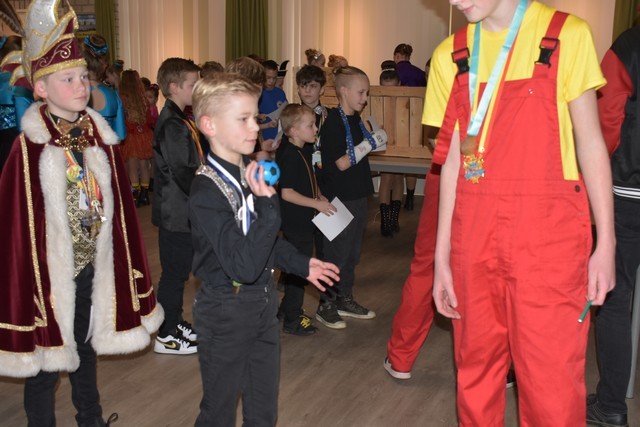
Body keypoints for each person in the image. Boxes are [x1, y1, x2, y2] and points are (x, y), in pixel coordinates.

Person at [428, 0, 615, 425]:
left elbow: (591, 143)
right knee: (475, 375)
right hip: (473, 241)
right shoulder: (450, 56)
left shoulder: (566, 35)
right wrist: (442, 259)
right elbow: (453, 162)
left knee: (552, 384)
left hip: (548, 242)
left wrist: (606, 242)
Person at [0, 2, 163, 425]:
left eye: (83, 77)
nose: (80, 85)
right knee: (47, 363)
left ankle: (90, 418)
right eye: (68, 79)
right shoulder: (29, 148)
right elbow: (16, 226)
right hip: (48, 278)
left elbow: (121, 214)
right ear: (41, 89)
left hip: (93, 266)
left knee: (86, 350)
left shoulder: (100, 139)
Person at [189, 72, 339, 425]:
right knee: (219, 412)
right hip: (225, 310)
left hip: (261, 303)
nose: (255, 127)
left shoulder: (248, 172)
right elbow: (242, 265)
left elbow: (263, 245)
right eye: (242, 119)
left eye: (254, 117)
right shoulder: (206, 191)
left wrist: (302, 263)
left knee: (263, 408)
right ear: (209, 125)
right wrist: (270, 205)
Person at [587, 21, 640, 427]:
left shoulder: (630, 44)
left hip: (628, 193)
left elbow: (606, 119)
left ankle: (610, 406)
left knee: (615, 297)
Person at [316, 65, 387, 329]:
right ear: (344, 91)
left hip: (357, 194)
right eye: (361, 92)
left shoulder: (356, 120)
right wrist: (370, 143)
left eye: (367, 93)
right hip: (337, 199)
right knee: (335, 253)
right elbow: (342, 163)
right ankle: (326, 304)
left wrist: (374, 139)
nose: (365, 98)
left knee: (352, 253)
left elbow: (357, 154)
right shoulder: (333, 123)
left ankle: (344, 298)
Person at [152, 57, 202, 355]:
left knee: (179, 271)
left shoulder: (180, 117)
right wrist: (206, 194)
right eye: (193, 84)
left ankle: (175, 321)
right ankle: (166, 334)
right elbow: (183, 170)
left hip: (183, 211)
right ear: (174, 87)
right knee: (173, 273)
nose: (197, 88)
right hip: (176, 212)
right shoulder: (172, 123)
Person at [276, 103, 337, 335]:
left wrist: (317, 193)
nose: (315, 129)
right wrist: (316, 204)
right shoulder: (289, 155)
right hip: (296, 223)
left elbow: (308, 178)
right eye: (310, 125)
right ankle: (292, 319)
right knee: (301, 271)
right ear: (293, 131)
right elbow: (287, 193)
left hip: (303, 221)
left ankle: (285, 311)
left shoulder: (303, 149)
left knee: (296, 269)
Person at [393, 43, 426, 211]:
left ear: (397, 56)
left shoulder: (393, 72)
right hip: (415, 120)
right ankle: (411, 199)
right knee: (412, 160)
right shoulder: (420, 73)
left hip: (397, 119)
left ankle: (395, 200)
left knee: (396, 161)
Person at [377, 60, 404, 237]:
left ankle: (394, 218)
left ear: (399, 85)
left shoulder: (405, 100)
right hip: (384, 143)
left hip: (402, 143)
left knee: (398, 177)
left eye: (393, 88)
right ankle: (385, 221)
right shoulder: (377, 100)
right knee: (387, 177)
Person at [120, 69, 154, 206]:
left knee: (132, 167)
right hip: (144, 135)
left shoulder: (122, 98)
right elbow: (149, 120)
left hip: (131, 135)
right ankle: (145, 195)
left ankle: (135, 196)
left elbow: (122, 119)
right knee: (144, 166)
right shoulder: (143, 98)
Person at [82, 34, 126, 141]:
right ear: (104, 65)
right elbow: (121, 135)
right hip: (107, 150)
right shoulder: (114, 95)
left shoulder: (75, 93)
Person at [258, 59, 287, 147]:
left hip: (280, 139)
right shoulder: (258, 94)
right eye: (268, 77)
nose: (271, 81)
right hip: (263, 140)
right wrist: (258, 116)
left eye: (274, 78)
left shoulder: (280, 93)